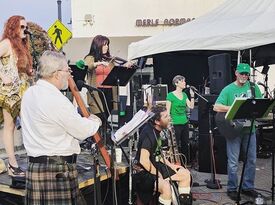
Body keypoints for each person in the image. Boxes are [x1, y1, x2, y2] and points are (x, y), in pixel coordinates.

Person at [21, 51, 102, 204]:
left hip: (36, 168)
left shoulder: (29, 93)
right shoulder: (56, 99)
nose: (69, 75)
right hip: (57, 171)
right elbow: (82, 131)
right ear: (57, 74)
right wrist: (95, 121)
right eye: (67, 70)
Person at [213, 63, 262, 201]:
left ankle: (247, 187)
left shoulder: (253, 87)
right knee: (233, 161)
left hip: (249, 128)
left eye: (246, 74)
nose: (244, 76)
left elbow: (259, 102)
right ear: (236, 73)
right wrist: (233, 107)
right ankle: (232, 188)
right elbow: (216, 106)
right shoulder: (228, 90)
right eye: (242, 73)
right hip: (234, 129)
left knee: (251, 160)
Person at [133, 106, 192, 205]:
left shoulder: (157, 131)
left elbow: (159, 154)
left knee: (185, 174)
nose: (169, 118)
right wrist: (158, 174)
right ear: (157, 121)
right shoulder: (149, 135)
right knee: (166, 188)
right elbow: (143, 160)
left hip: (156, 165)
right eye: (166, 116)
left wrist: (171, 166)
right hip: (144, 172)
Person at [0, 15, 33, 177]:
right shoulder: (6, 44)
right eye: (21, 27)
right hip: (9, 93)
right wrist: (2, 76)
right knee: (10, 126)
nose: (24, 30)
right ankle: (12, 165)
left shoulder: (22, 46)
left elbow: (22, 69)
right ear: (13, 28)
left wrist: (29, 71)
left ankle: (30, 160)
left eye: (25, 27)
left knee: (28, 124)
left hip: (22, 92)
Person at [84, 35, 118, 118]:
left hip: (110, 90)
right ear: (97, 45)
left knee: (107, 114)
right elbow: (87, 66)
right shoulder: (90, 57)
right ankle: (100, 131)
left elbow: (116, 72)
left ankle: (105, 130)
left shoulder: (109, 60)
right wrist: (99, 63)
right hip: (97, 91)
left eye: (107, 45)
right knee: (99, 115)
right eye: (104, 45)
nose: (106, 47)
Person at [166, 75, 195, 164]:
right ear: (176, 83)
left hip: (184, 122)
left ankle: (184, 163)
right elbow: (167, 112)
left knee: (185, 144)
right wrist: (168, 124)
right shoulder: (170, 95)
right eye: (182, 81)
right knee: (175, 145)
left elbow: (191, 106)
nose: (184, 83)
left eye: (184, 81)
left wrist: (192, 96)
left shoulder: (185, 95)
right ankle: (175, 163)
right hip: (175, 123)